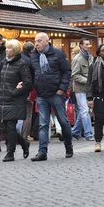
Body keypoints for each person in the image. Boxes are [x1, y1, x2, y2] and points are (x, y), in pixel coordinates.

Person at [29, 32, 73, 161]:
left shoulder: (58, 54)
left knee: (63, 122)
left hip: (56, 93)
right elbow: (32, 73)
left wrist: (62, 89)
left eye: (39, 41)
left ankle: (68, 146)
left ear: (47, 41)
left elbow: (67, 71)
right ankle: (42, 152)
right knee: (43, 124)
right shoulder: (34, 55)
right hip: (42, 94)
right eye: (35, 41)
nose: (37, 43)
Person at [0, 39, 32, 162]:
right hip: (3, 99)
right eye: (6, 48)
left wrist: (15, 92)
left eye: (9, 48)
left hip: (15, 101)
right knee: (4, 128)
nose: (7, 50)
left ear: (15, 51)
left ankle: (10, 152)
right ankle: (23, 143)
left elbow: (27, 83)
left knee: (10, 127)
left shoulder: (22, 64)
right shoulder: (3, 63)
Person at [70, 38, 94, 141]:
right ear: (80, 46)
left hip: (89, 88)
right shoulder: (77, 59)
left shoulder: (91, 57)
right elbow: (74, 75)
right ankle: (89, 134)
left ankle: (75, 132)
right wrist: (87, 80)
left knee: (83, 111)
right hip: (80, 88)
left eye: (89, 44)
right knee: (85, 111)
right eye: (86, 44)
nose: (88, 46)